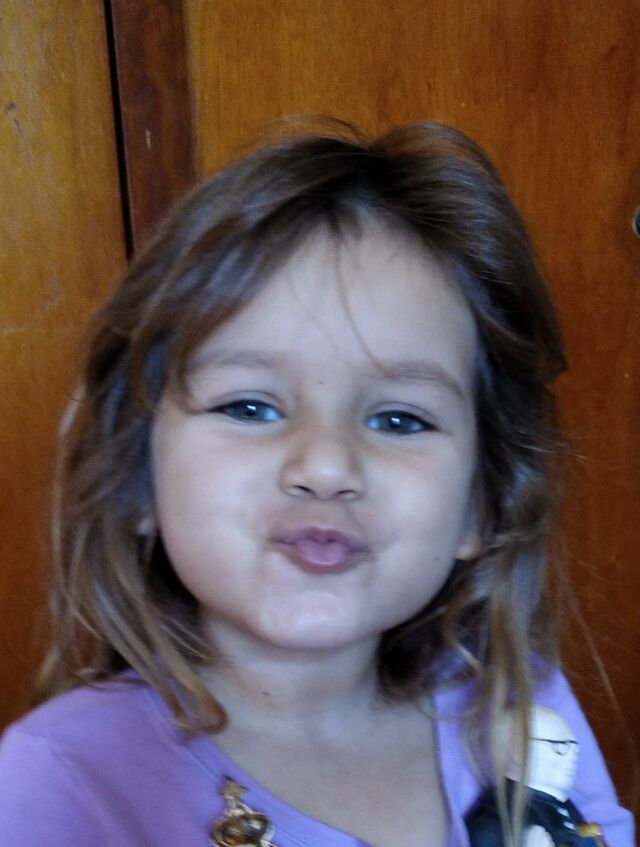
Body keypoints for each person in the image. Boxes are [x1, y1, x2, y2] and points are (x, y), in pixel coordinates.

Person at [0, 119, 634, 847]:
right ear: (135, 476)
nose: (327, 467)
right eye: (250, 407)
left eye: (399, 419)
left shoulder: (519, 714)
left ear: (480, 503)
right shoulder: (62, 781)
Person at [466, 705, 610, 846]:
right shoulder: (497, 819)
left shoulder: (560, 804)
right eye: (560, 745)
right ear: (519, 751)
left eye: (573, 745)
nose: (573, 755)